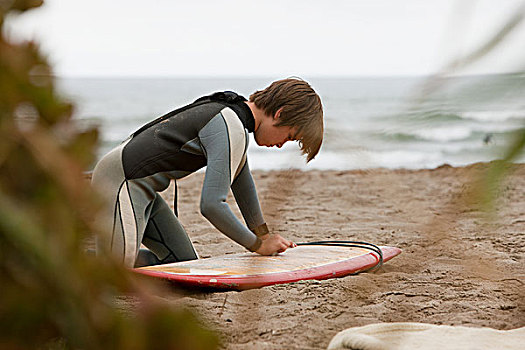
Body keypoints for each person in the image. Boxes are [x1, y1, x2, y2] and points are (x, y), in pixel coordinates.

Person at [91, 78, 324, 267]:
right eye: (290, 136)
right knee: (114, 271)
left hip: (144, 190)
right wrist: (257, 245)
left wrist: (263, 234)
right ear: (280, 113)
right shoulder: (230, 123)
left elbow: (242, 183)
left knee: (181, 264)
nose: (283, 144)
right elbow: (212, 205)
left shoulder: (236, 119)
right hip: (122, 180)